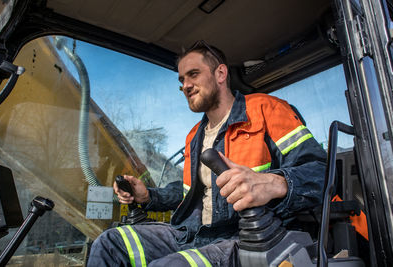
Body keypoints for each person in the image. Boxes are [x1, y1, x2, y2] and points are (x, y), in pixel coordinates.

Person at [87, 40, 326, 266]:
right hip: (194, 234)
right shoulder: (194, 135)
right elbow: (189, 194)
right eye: (181, 79)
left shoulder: (266, 109)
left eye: (193, 74)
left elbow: (321, 173)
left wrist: (273, 183)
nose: (185, 85)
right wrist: (147, 196)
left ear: (220, 74)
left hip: (246, 236)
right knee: (109, 243)